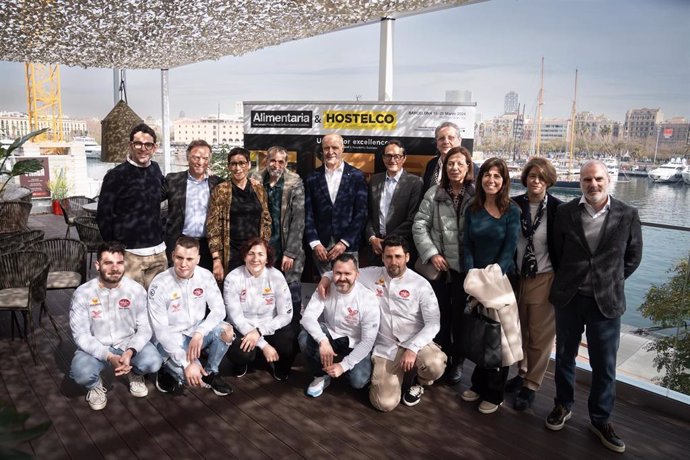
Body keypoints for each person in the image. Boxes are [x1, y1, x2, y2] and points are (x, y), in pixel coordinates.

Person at [545, 160, 642, 454]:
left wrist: (609, 280)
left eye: (598, 179)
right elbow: (556, 251)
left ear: (608, 179)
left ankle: (600, 419)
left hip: (606, 303)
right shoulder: (564, 212)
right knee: (564, 357)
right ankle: (563, 405)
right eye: (587, 180)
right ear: (580, 183)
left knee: (605, 366)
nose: (593, 185)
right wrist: (573, 279)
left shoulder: (627, 214)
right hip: (570, 299)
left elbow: (633, 256)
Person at [317, 235, 446, 411]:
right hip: (386, 347)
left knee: (435, 364)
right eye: (389, 256)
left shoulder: (420, 284)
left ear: (407, 257)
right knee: (383, 404)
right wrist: (326, 277)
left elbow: (433, 323)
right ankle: (395, 381)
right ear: (382, 257)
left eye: (398, 256)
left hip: (415, 342)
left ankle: (420, 382)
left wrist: (413, 348)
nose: (393, 262)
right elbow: (344, 271)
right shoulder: (371, 274)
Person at [69, 241, 162, 410]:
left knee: (153, 362)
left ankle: (135, 373)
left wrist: (131, 350)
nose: (115, 268)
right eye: (108, 263)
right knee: (81, 373)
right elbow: (81, 335)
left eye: (119, 263)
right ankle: (95, 385)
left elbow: (145, 327)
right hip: (96, 346)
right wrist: (108, 356)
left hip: (126, 342)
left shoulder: (136, 290)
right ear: (97, 265)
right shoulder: (82, 293)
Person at [460, 157, 521, 414]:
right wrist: (473, 275)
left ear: (504, 181)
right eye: (487, 175)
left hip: (501, 282)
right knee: (480, 333)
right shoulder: (472, 209)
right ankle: (478, 383)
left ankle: (495, 394)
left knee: (499, 338)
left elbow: (510, 250)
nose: (491, 180)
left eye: (497, 176)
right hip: (476, 283)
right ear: (480, 177)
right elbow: (468, 246)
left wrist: (493, 276)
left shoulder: (512, 211)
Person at [413, 146, 475, 385]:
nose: (455, 168)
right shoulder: (434, 192)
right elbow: (419, 225)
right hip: (438, 270)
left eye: (460, 163)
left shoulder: (476, 194)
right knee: (438, 316)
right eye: (450, 164)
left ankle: (457, 362)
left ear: (468, 166)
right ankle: (441, 358)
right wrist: (432, 254)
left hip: (465, 271)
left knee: (462, 319)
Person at [504, 158, 563, 410]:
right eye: (531, 176)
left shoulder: (559, 210)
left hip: (545, 277)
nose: (535, 181)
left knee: (540, 335)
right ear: (525, 178)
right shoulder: (514, 205)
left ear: (548, 180)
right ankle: (521, 372)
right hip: (516, 277)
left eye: (541, 177)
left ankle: (531, 385)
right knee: (519, 330)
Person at [147, 237, 234, 396]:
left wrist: (200, 331)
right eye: (179, 258)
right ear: (172, 256)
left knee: (226, 331)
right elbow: (161, 332)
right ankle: (165, 369)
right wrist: (187, 363)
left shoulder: (205, 276)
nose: (183, 264)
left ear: (198, 259)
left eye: (189, 259)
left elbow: (219, 310)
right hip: (171, 339)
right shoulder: (159, 284)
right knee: (191, 377)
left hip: (195, 333)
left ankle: (211, 372)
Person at [96, 123, 167, 289]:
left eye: (148, 144)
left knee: (158, 304)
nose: (143, 148)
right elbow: (103, 215)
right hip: (130, 255)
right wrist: (116, 249)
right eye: (138, 144)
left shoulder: (155, 169)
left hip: (158, 252)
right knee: (130, 305)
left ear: (154, 148)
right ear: (130, 145)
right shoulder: (115, 175)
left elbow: (161, 193)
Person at [299, 253, 380, 397]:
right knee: (305, 337)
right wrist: (322, 341)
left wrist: (344, 366)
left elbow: (368, 341)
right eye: (338, 273)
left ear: (357, 274)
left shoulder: (367, 298)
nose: (342, 278)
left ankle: (348, 366)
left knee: (358, 382)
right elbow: (307, 317)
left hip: (356, 342)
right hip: (331, 334)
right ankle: (320, 375)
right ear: (332, 273)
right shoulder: (325, 288)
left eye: (347, 273)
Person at [223, 237, 295, 381]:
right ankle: (243, 363)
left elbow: (286, 315)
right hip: (243, 327)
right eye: (251, 253)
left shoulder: (276, 276)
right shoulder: (232, 278)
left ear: (267, 259)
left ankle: (279, 365)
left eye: (261, 254)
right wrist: (264, 344)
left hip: (269, 325)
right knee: (239, 351)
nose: (255, 258)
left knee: (289, 342)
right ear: (244, 256)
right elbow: (235, 318)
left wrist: (260, 331)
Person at [250, 145, 305, 319]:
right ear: (266, 160)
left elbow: (299, 219)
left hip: (286, 247)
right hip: (262, 247)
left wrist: (290, 252)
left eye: (281, 162)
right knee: (263, 292)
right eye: (273, 160)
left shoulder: (295, 182)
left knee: (291, 291)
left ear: (286, 163)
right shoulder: (255, 178)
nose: (276, 165)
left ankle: (293, 332)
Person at [304, 133, 368, 275]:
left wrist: (344, 242)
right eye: (326, 148)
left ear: (342, 149)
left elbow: (361, 213)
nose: (330, 152)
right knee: (325, 288)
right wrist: (315, 243)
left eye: (334, 147)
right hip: (321, 248)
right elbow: (307, 213)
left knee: (348, 286)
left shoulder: (357, 176)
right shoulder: (312, 177)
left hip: (348, 245)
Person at [207, 147, 271, 282]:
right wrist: (216, 259)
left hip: (254, 254)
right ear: (229, 166)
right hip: (231, 254)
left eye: (241, 163)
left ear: (248, 165)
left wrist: (263, 248)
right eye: (233, 164)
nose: (237, 168)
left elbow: (266, 220)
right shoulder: (221, 190)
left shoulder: (258, 189)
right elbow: (213, 226)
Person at [163, 139, 223, 271]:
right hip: (180, 243)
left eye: (205, 158)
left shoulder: (217, 183)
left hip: (207, 246)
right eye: (196, 157)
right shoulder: (173, 180)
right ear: (187, 157)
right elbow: (152, 199)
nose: (200, 162)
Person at [364, 140, 423, 266]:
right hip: (376, 248)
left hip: (400, 247)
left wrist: (387, 242)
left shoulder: (415, 182)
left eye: (397, 156)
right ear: (383, 158)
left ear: (404, 158)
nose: (392, 160)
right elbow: (368, 214)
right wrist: (372, 238)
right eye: (388, 156)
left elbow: (412, 219)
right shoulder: (375, 180)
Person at [422, 122, 462, 193]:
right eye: (441, 138)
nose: (446, 142)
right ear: (437, 143)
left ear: (459, 140)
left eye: (451, 138)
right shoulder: (431, 164)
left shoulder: (470, 167)